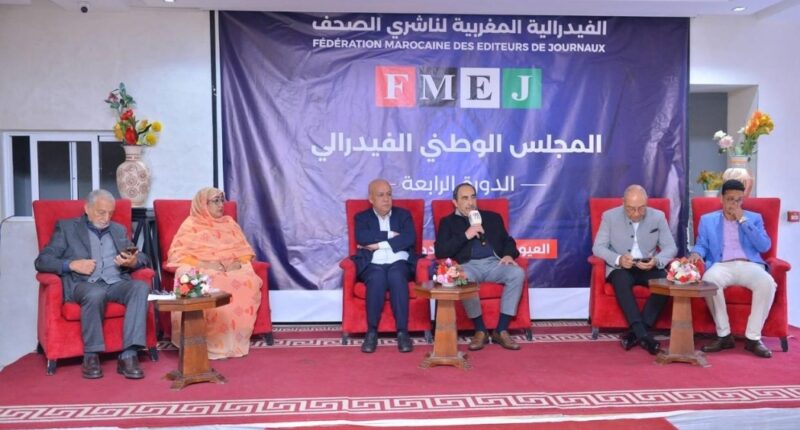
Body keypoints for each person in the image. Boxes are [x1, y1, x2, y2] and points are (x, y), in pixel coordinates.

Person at [34, 189, 150, 380]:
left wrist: (133, 262)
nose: (106, 218)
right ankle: (91, 354)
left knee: (140, 287)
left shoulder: (118, 230)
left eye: (110, 213)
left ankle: (129, 354)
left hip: (116, 283)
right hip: (83, 284)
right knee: (96, 293)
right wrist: (71, 264)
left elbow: (142, 257)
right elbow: (42, 261)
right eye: (101, 212)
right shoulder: (67, 228)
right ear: (87, 208)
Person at [166, 187, 262, 359]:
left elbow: (244, 249)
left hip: (230, 268)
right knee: (195, 278)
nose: (221, 205)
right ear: (203, 204)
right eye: (215, 201)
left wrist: (237, 263)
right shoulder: (191, 225)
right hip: (202, 266)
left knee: (247, 280)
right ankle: (200, 340)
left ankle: (233, 338)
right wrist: (206, 264)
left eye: (222, 200)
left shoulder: (229, 223)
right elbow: (177, 254)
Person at [689, 179, 776, 358]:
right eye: (730, 200)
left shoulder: (754, 218)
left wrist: (743, 220)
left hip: (749, 264)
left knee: (767, 283)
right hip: (721, 265)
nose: (734, 204)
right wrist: (696, 253)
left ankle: (753, 338)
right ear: (722, 199)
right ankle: (724, 336)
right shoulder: (708, 220)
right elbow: (701, 244)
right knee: (709, 281)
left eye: (738, 200)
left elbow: (764, 246)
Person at [434, 183, 525, 351]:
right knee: (462, 278)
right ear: (455, 202)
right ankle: (480, 330)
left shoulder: (492, 218)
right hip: (467, 266)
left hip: (494, 264)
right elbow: (440, 251)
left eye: (473, 197)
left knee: (517, 273)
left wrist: (508, 255)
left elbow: (508, 242)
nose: (470, 202)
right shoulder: (448, 222)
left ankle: (501, 330)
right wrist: (466, 235)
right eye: (465, 198)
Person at [592, 184, 677, 355]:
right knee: (621, 280)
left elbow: (670, 248)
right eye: (631, 209)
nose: (637, 213)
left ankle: (635, 334)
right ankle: (644, 335)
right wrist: (619, 259)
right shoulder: (609, 217)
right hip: (622, 266)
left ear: (647, 203)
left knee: (665, 282)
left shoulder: (658, 217)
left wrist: (656, 260)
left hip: (648, 265)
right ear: (623, 203)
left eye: (641, 208)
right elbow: (598, 247)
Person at [351, 179, 416, 353]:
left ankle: (402, 332)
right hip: (372, 263)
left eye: (389, 194)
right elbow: (362, 238)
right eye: (381, 195)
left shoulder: (403, 215)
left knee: (397, 276)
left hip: (399, 261)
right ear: (371, 199)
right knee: (377, 278)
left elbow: (409, 238)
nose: (386, 199)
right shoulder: (362, 217)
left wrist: (378, 244)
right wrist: (390, 234)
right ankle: (371, 332)